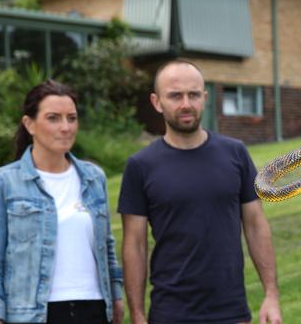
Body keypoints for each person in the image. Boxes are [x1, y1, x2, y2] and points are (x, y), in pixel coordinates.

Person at [118, 60, 282, 324]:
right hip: (170, 312)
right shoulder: (140, 166)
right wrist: (137, 314)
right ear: (157, 102)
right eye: (175, 95)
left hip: (231, 311)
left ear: (204, 98)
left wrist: (271, 295)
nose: (186, 104)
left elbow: (255, 225)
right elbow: (134, 245)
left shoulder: (235, 153)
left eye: (193, 94)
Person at [0, 80, 124, 324]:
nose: (65, 127)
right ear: (29, 124)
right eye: (53, 118)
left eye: (71, 118)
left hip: (94, 310)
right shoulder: (1, 183)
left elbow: (107, 247)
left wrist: (116, 297)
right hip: (33, 315)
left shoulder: (95, 178)